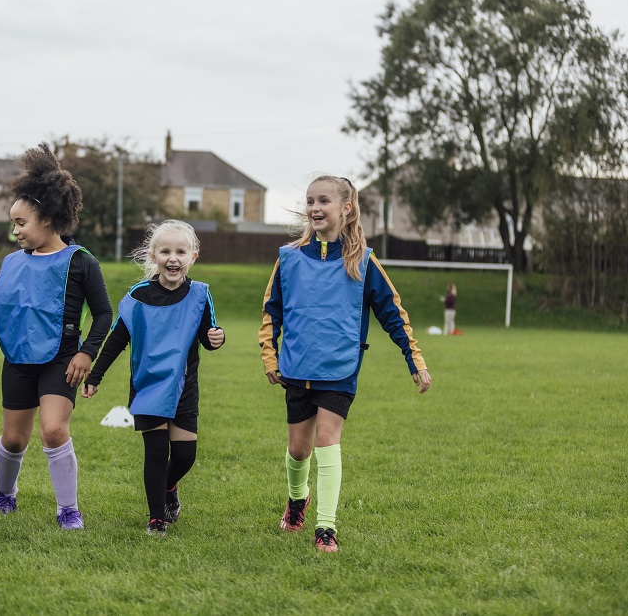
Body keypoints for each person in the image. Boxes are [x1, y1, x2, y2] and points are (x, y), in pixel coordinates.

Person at [260, 175, 431, 552]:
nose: (315, 208)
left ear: (346, 208)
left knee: (327, 440)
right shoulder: (288, 259)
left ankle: (325, 528)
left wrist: (413, 357)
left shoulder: (363, 262)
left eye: (323, 201)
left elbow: (393, 312)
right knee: (299, 450)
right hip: (297, 367)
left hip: (340, 369)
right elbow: (272, 310)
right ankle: (297, 499)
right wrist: (270, 355)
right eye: (310, 201)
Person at [0, 142, 112, 530]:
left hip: (62, 359)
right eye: (12, 223)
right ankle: (5, 495)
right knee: (13, 439)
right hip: (17, 360)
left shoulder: (81, 262)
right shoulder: (11, 263)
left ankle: (68, 509)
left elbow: (103, 314)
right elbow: (7, 308)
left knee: (53, 430)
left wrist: (86, 353)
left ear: (48, 218)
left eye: (21, 223)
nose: (14, 231)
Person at [82, 220, 225, 536]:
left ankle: (169, 486)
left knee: (185, 456)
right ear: (153, 256)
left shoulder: (200, 295)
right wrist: (96, 375)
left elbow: (207, 334)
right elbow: (118, 338)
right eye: (165, 251)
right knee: (157, 452)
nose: (173, 258)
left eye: (180, 251)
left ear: (193, 256)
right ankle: (156, 517)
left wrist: (217, 337)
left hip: (184, 385)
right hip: (147, 385)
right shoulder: (139, 295)